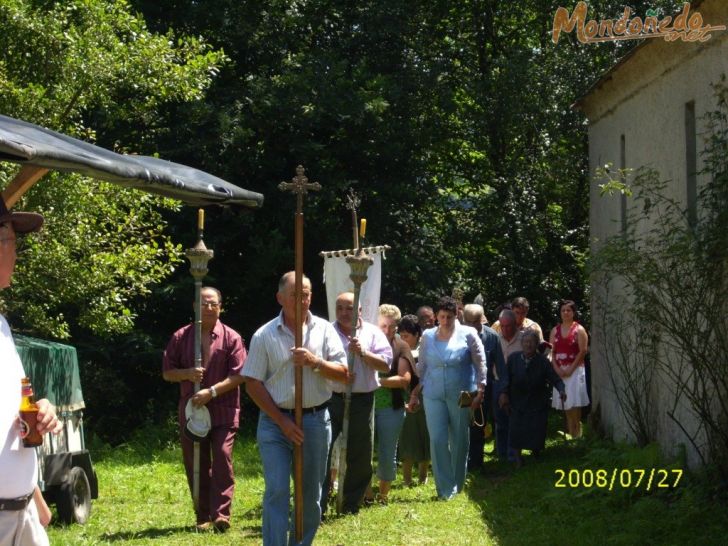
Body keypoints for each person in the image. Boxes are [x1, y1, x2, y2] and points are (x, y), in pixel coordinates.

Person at [242, 272, 347, 546]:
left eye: (307, 293)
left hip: (314, 420)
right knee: (277, 489)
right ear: (280, 298)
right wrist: (281, 421)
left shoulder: (325, 330)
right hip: (275, 423)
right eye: (295, 294)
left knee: (310, 492)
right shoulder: (264, 335)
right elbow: (252, 382)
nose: (302, 299)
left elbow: (344, 373)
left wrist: (315, 361)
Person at [162, 286, 247, 531]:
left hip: (224, 408)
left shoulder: (232, 337)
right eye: (203, 303)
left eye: (213, 303)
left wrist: (211, 392)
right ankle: (202, 515)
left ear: (220, 307)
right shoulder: (181, 337)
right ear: (194, 306)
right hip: (193, 412)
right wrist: (187, 374)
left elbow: (240, 375)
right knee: (195, 461)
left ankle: (221, 515)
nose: (208, 307)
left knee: (222, 456)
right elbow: (167, 372)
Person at [0, 197, 60, 546]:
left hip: (21, 516)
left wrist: (42, 408)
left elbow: (13, 411)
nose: (16, 254)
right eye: (11, 242)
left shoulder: (2, 325)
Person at [320, 292, 391, 516]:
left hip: (361, 399)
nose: (343, 312)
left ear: (359, 310)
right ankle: (318, 503)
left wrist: (363, 353)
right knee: (322, 449)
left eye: (349, 308)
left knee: (360, 453)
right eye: (339, 307)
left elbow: (385, 365)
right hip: (330, 398)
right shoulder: (326, 332)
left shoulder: (372, 333)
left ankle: (351, 503)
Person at [416, 296, 486, 500]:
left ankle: (457, 481)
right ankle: (445, 488)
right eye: (442, 317)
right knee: (437, 440)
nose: (445, 321)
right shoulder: (427, 336)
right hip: (433, 394)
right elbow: (422, 366)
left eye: (450, 317)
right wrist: (416, 389)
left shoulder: (469, 334)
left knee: (459, 440)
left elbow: (480, 363)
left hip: (461, 395)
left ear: (457, 316)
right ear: (437, 316)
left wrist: (480, 390)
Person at [498, 330, 566, 466]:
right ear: (521, 344)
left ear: (536, 344)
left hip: (537, 400)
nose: (528, 345)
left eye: (532, 342)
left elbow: (554, 378)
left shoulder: (543, 361)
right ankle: (518, 459)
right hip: (517, 400)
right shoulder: (513, 359)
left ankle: (536, 452)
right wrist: (503, 393)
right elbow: (506, 378)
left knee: (537, 428)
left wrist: (561, 389)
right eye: (525, 342)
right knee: (516, 429)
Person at [373, 304, 413, 502]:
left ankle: (383, 495)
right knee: (361, 452)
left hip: (391, 408)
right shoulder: (367, 342)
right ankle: (366, 493)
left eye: (392, 327)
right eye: (383, 326)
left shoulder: (400, 346)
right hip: (365, 406)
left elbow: (404, 380)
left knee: (387, 452)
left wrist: (377, 382)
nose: (387, 331)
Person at [462, 304, 501, 471]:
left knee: (478, 426)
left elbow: (500, 366)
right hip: (461, 386)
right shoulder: (455, 335)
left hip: (483, 388)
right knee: (461, 425)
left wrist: (502, 389)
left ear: (482, 320)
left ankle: (476, 463)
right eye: (468, 322)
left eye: (475, 322)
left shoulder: (492, 337)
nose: (472, 326)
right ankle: (460, 462)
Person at [549, 300, 589, 438]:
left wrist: (571, 369)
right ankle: (571, 431)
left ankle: (576, 431)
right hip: (559, 370)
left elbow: (583, 351)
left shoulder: (579, 330)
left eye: (568, 310)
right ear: (560, 313)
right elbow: (551, 352)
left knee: (574, 401)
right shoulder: (555, 330)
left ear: (573, 312)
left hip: (576, 370)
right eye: (563, 310)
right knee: (565, 401)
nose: (565, 313)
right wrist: (557, 369)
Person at [399, 315, 430, 486]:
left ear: (417, 334)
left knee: (424, 435)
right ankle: (406, 478)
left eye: (407, 336)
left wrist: (416, 394)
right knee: (407, 436)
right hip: (405, 395)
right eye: (401, 335)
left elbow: (426, 375)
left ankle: (423, 476)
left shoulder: (425, 349)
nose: (403, 339)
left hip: (425, 396)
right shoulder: (398, 348)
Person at [493, 309, 522, 461]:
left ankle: (514, 453)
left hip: (517, 385)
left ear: (515, 324)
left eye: (508, 326)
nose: (505, 329)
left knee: (515, 420)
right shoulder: (496, 339)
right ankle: (501, 453)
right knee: (500, 420)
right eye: (502, 326)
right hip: (498, 383)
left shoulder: (523, 339)